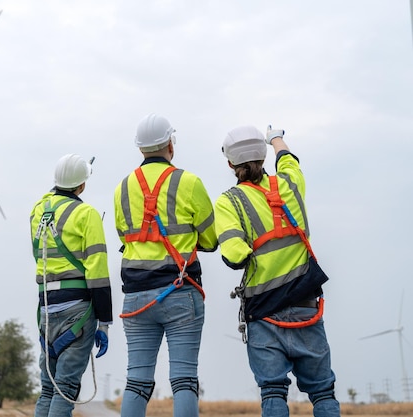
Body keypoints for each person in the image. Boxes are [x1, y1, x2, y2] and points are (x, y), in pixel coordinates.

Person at [214, 125, 340, 417]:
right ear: (263, 155)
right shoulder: (291, 184)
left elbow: (234, 255)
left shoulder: (228, 201)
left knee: (272, 391)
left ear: (230, 163)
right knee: (322, 392)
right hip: (306, 309)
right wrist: (276, 138)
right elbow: (288, 160)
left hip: (263, 313)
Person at [114, 113, 218, 417]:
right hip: (179, 293)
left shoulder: (121, 188)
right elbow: (210, 239)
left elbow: (125, 235)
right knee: (184, 380)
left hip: (135, 299)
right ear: (170, 144)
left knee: (137, 382)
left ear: (140, 149)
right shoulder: (189, 182)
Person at [30, 153, 113, 417]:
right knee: (65, 388)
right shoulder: (85, 213)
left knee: (48, 388)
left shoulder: (38, 211)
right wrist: (104, 323)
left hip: (45, 310)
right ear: (83, 185)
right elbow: (98, 273)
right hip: (77, 310)